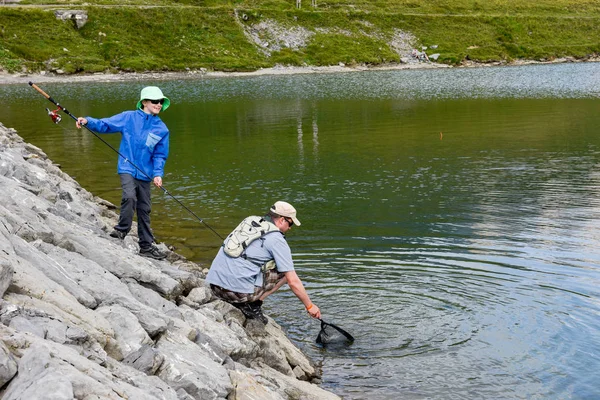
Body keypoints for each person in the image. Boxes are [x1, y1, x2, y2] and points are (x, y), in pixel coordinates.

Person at [76, 86, 170, 260]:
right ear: (144, 102)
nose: (158, 104)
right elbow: (106, 125)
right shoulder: (129, 117)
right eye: (155, 101)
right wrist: (87, 121)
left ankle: (146, 247)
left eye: (161, 102)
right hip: (126, 167)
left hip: (146, 173)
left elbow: (160, 155)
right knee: (129, 197)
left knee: (144, 209)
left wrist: (158, 174)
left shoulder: (162, 129)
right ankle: (121, 230)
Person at [206, 201, 321, 324]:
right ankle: (253, 305)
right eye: (290, 223)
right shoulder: (277, 239)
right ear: (282, 220)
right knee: (286, 273)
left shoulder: (249, 220)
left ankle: (245, 296)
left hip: (214, 286)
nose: (290, 228)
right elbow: (293, 281)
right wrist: (310, 306)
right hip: (237, 295)